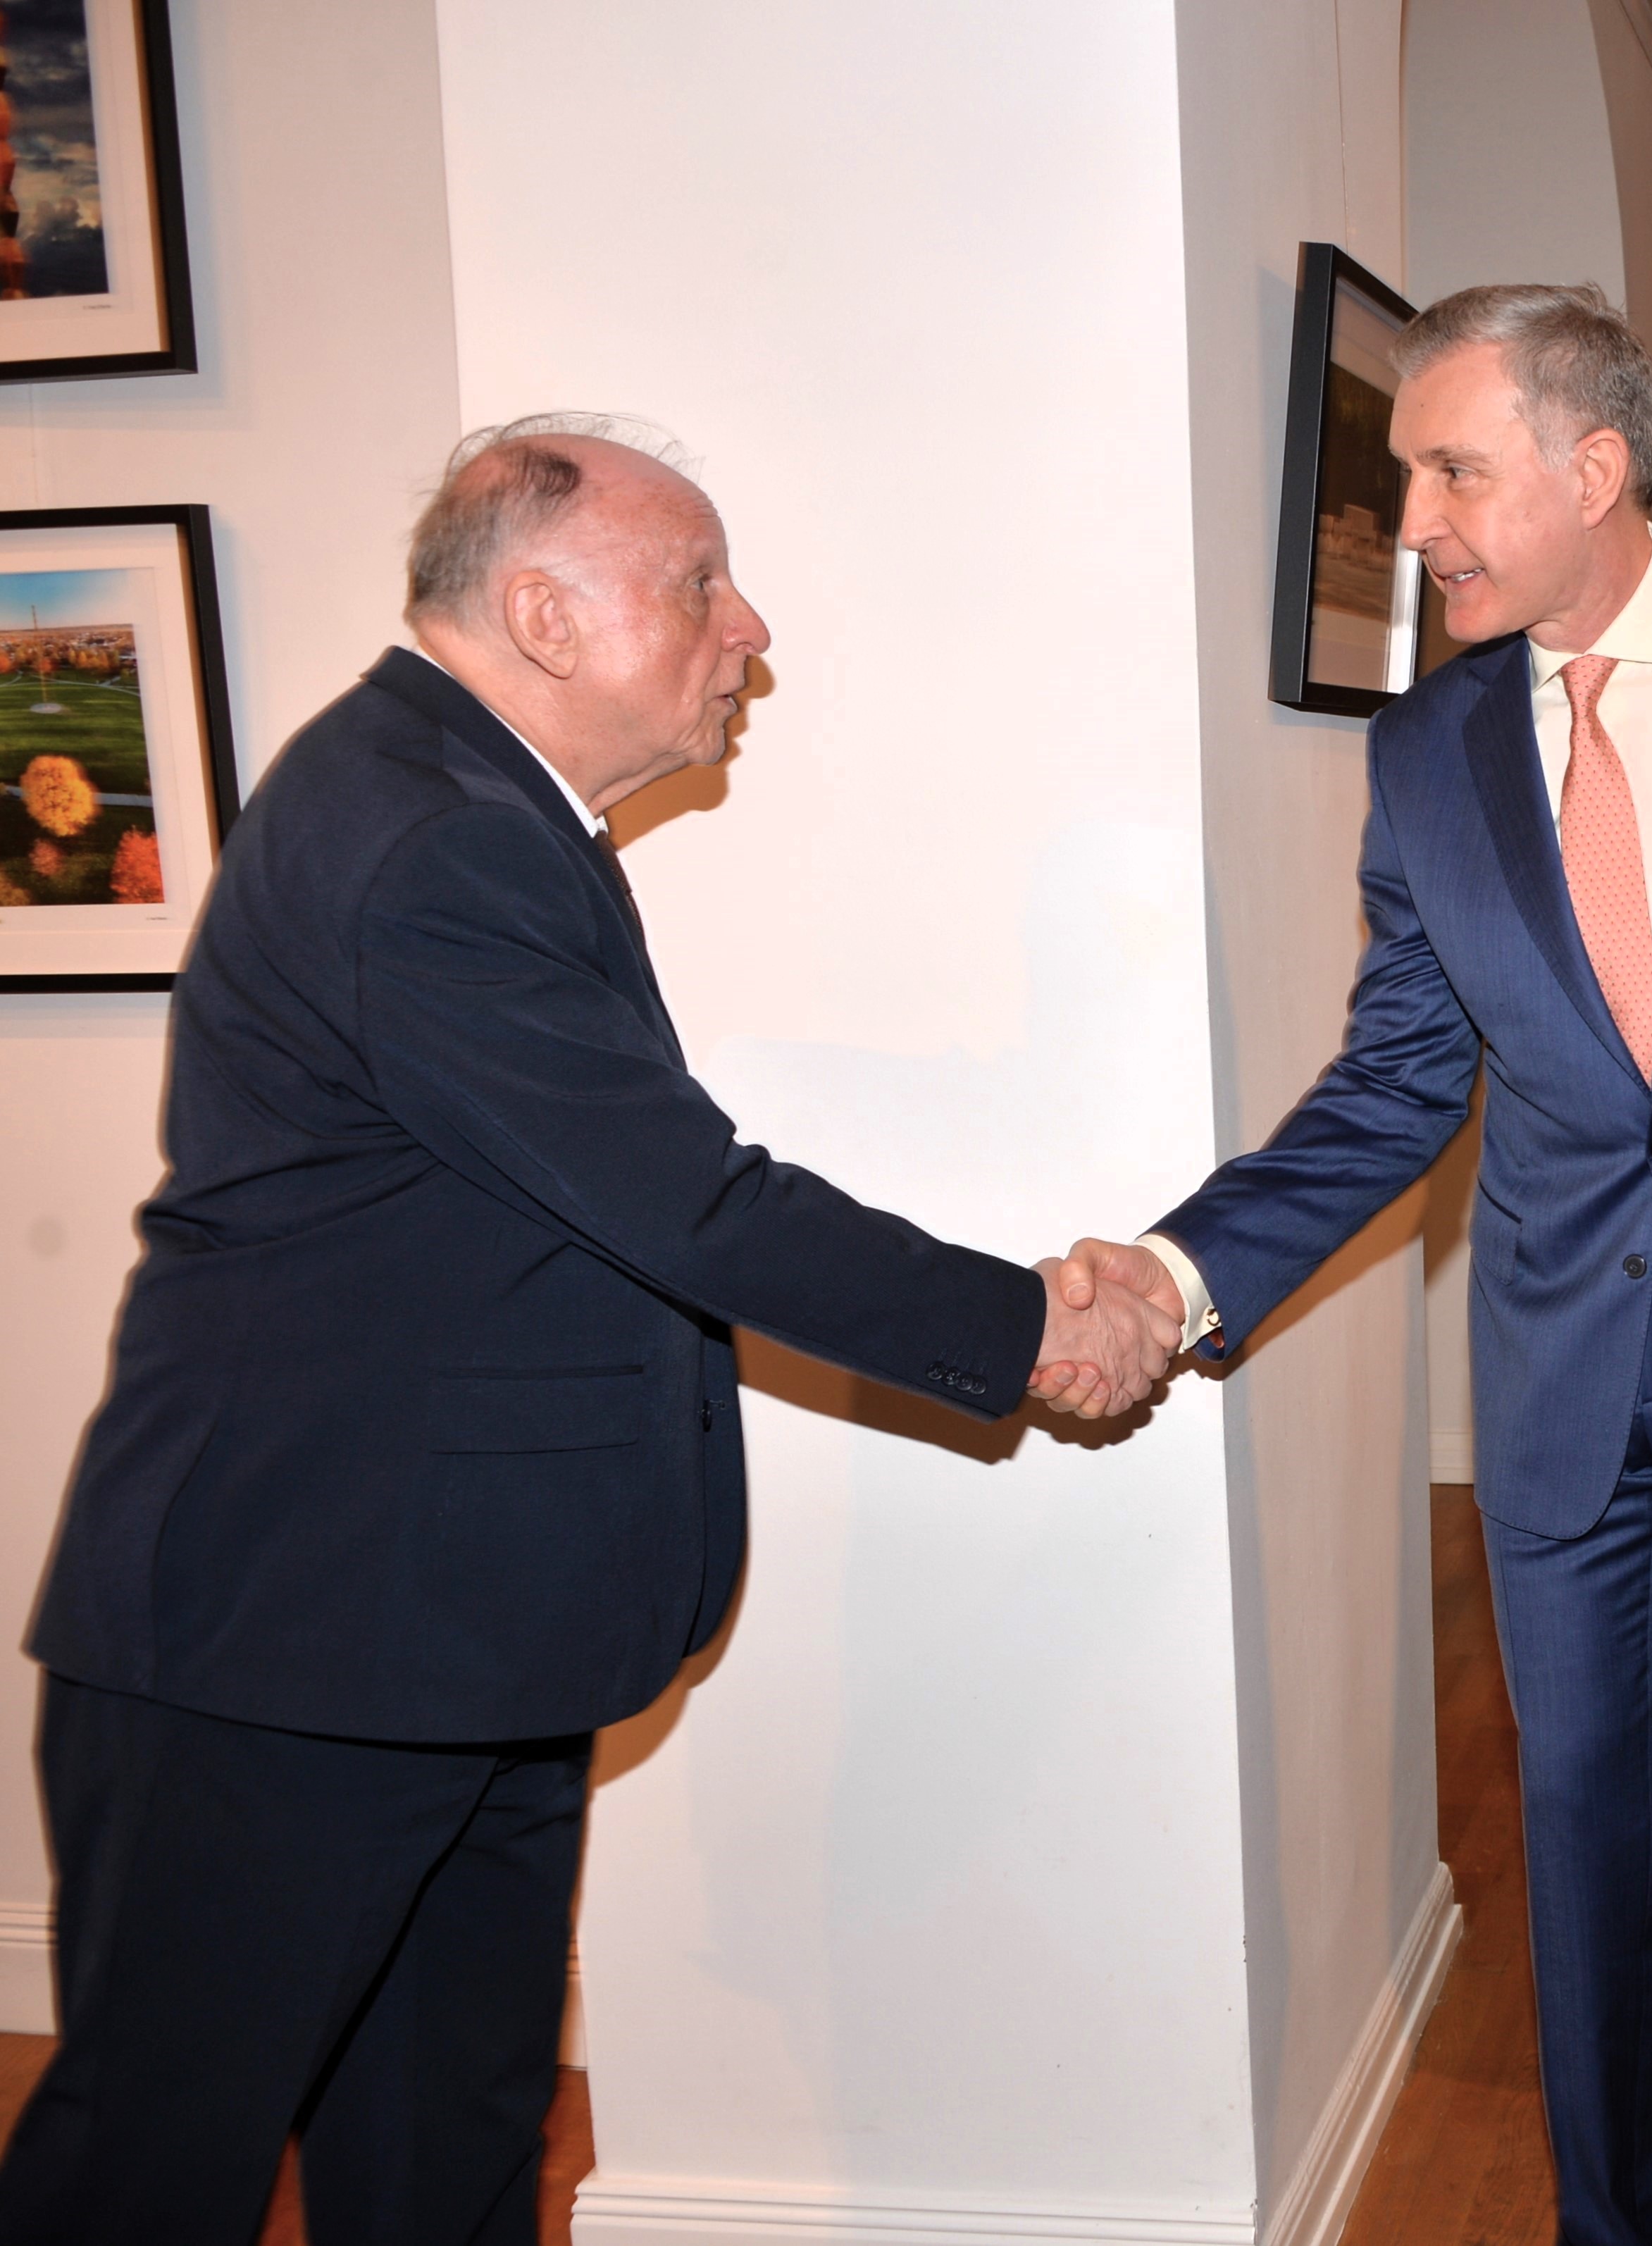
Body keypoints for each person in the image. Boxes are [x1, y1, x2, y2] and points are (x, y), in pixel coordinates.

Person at [0, 418, 1170, 2246]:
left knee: (451, 2135)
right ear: (544, 616)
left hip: (450, 1630)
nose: (747, 627)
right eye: (699, 584)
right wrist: (1028, 1320)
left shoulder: (463, 799)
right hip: (291, 1648)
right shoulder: (432, 839)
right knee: (154, 2165)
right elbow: (686, 1199)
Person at [1066, 286, 1652, 2246]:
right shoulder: (1427, 747)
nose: (1415, 520)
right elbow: (1395, 1081)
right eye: (1408, 477)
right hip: (1561, 1393)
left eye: (1452, 472)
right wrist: (1175, 1277)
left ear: (1595, 471)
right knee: (1585, 1842)